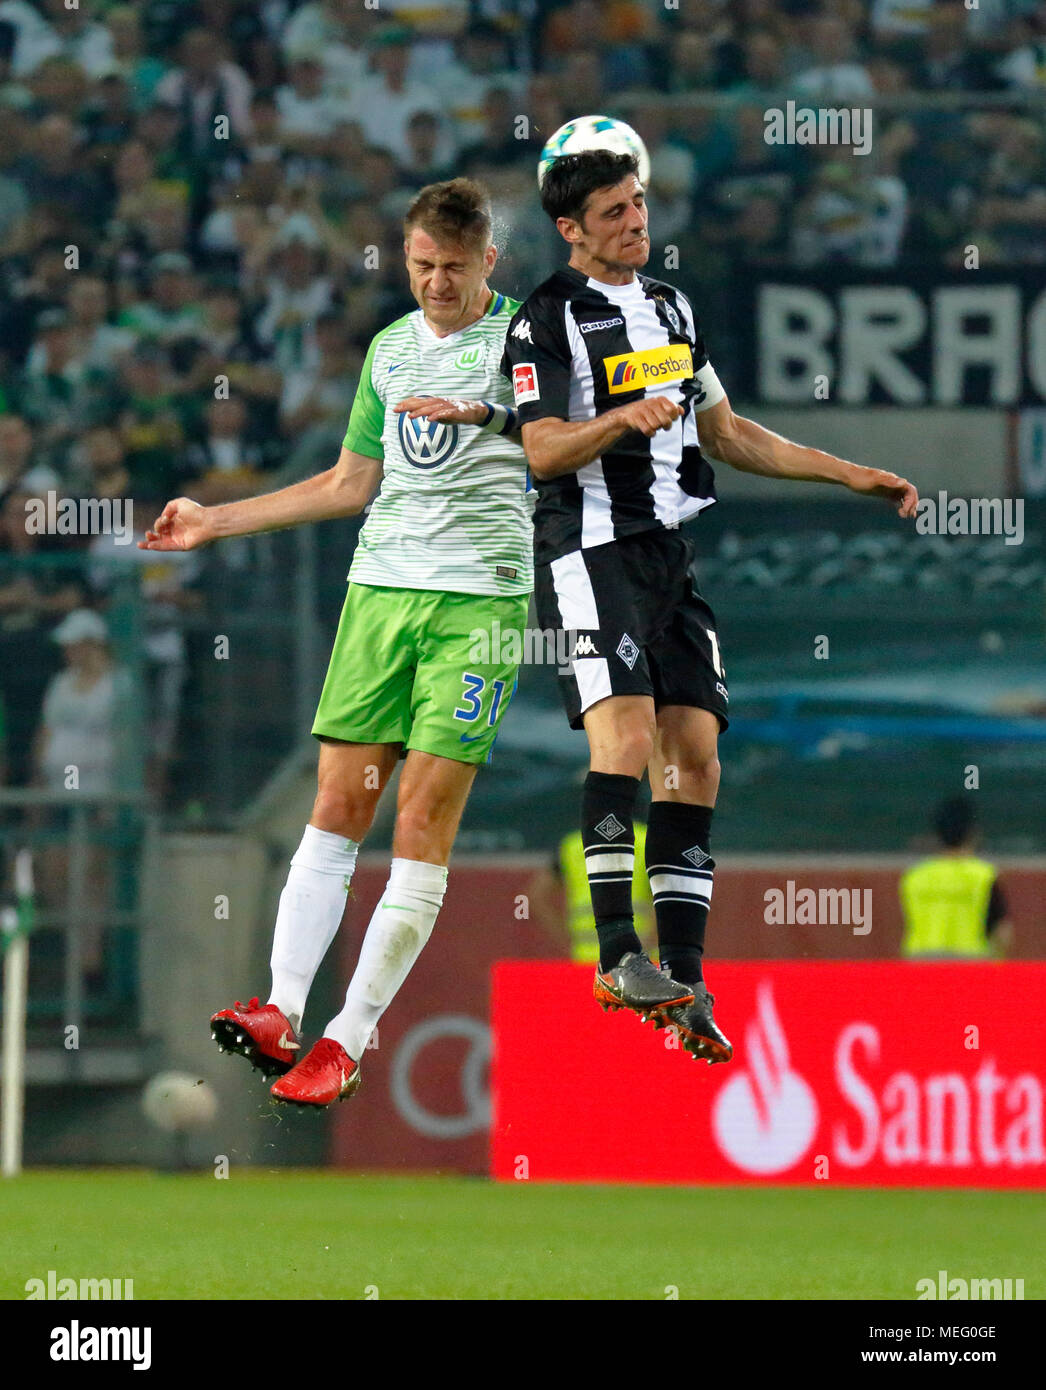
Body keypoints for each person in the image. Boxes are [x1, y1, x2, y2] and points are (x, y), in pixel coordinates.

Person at [501, 150, 919, 1063]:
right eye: (613, 211)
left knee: (696, 754)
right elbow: (540, 452)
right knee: (624, 738)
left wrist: (846, 473)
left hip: (668, 559)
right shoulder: (547, 318)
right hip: (588, 547)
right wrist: (619, 420)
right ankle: (618, 954)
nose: (635, 221)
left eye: (639, 203)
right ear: (571, 229)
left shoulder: (675, 310)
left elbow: (725, 434)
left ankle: (682, 980)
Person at [139, 179, 532, 1107]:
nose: (435, 283)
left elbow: (564, 443)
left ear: (490, 262)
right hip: (377, 600)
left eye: (453, 267)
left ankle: (348, 1038)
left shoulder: (531, 342)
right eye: (420, 265)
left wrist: (494, 420)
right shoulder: (391, 350)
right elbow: (350, 482)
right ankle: (281, 1010)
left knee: (420, 824)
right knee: (333, 809)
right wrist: (214, 520)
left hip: (478, 608)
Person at [900, 797, 1013, 959]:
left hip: (921, 964)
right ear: (973, 833)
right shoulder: (983, 876)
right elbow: (1002, 933)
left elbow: (908, 924)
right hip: (970, 964)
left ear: (937, 834)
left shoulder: (914, 877)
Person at [529, 819, 653, 963]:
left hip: (586, 960)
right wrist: (650, 942)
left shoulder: (573, 845)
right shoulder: (646, 840)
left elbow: (536, 895)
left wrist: (566, 941)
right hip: (637, 960)